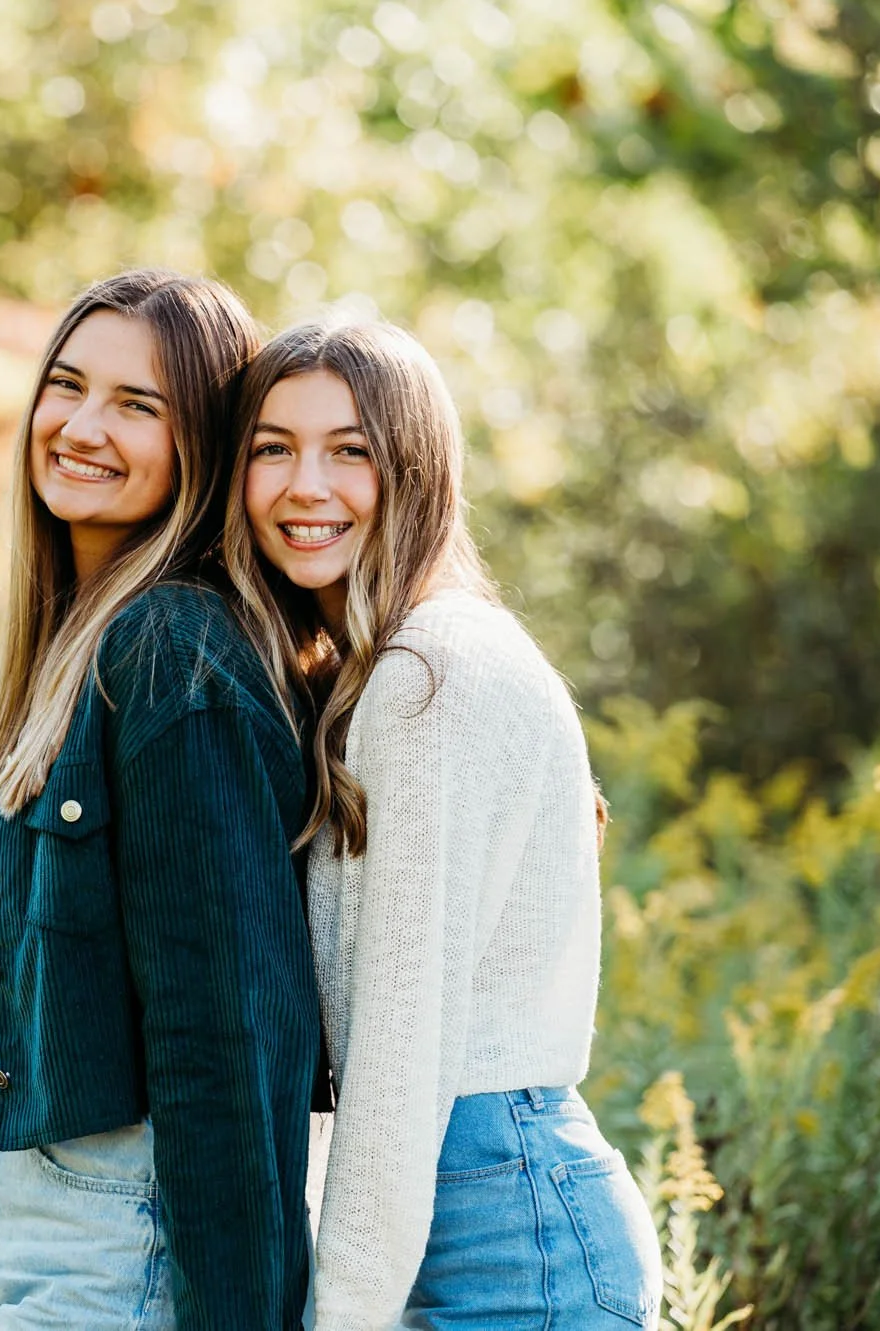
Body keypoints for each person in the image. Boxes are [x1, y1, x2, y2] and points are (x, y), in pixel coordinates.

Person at [222, 319, 662, 1329]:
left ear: (414, 469)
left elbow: (400, 1033)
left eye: (350, 450)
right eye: (271, 448)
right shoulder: (391, 665)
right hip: (478, 1209)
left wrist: (342, 1309)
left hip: (510, 1239)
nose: (304, 484)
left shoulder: (428, 675)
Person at [0, 269, 322, 1329]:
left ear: (200, 441)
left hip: (128, 1233)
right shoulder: (82, 645)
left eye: (136, 405)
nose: (81, 426)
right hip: (49, 1216)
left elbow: (228, 1031)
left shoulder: (168, 654)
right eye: (67, 385)